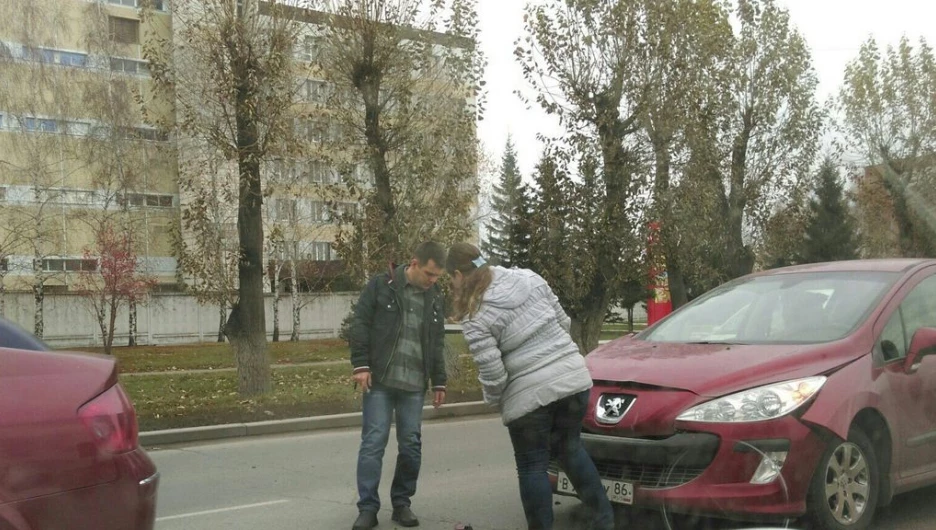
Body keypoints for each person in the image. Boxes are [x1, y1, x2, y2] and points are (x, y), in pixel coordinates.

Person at [446, 243, 614, 530]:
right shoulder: (529, 278)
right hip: (573, 381)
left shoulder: (475, 314)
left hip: (529, 398)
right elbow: (564, 322)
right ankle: (604, 519)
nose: (451, 285)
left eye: (451, 279)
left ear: (459, 275)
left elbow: (494, 374)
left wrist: (495, 399)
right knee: (571, 450)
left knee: (532, 465)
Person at [348, 242, 448, 530]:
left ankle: (402, 503)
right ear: (414, 263)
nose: (433, 281)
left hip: (414, 384)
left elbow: (437, 341)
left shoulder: (434, 297)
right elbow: (361, 324)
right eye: (429, 274)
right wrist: (361, 365)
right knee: (373, 443)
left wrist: (439, 380)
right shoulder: (382, 285)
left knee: (411, 445)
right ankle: (367, 508)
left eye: (438, 277)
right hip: (379, 380)